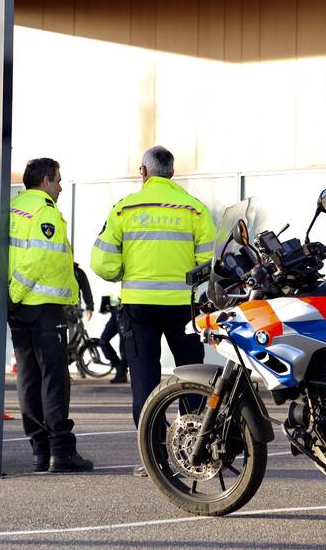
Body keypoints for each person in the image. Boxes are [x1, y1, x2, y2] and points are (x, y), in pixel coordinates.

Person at [91, 145, 215, 475]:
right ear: (172, 173)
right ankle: (195, 453)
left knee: (145, 383)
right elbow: (208, 260)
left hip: (138, 307)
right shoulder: (194, 209)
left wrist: (124, 272)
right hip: (182, 306)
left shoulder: (124, 209)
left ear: (143, 172)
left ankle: (156, 461)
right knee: (193, 377)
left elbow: (102, 262)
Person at [9, 158, 93, 474]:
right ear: (45, 181)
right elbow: (39, 257)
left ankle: (39, 450)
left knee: (28, 377)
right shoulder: (45, 211)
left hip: (19, 307)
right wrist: (18, 292)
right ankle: (61, 451)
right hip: (42, 306)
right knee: (54, 379)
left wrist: (12, 297)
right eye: (58, 180)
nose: (60, 186)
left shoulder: (14, 208)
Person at [98, 296, 127, 384]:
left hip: (125, 311)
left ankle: (121, 373)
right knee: (103, 341)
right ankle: (118, 367)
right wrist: (105, 302)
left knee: (124, 346)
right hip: (115, 312)